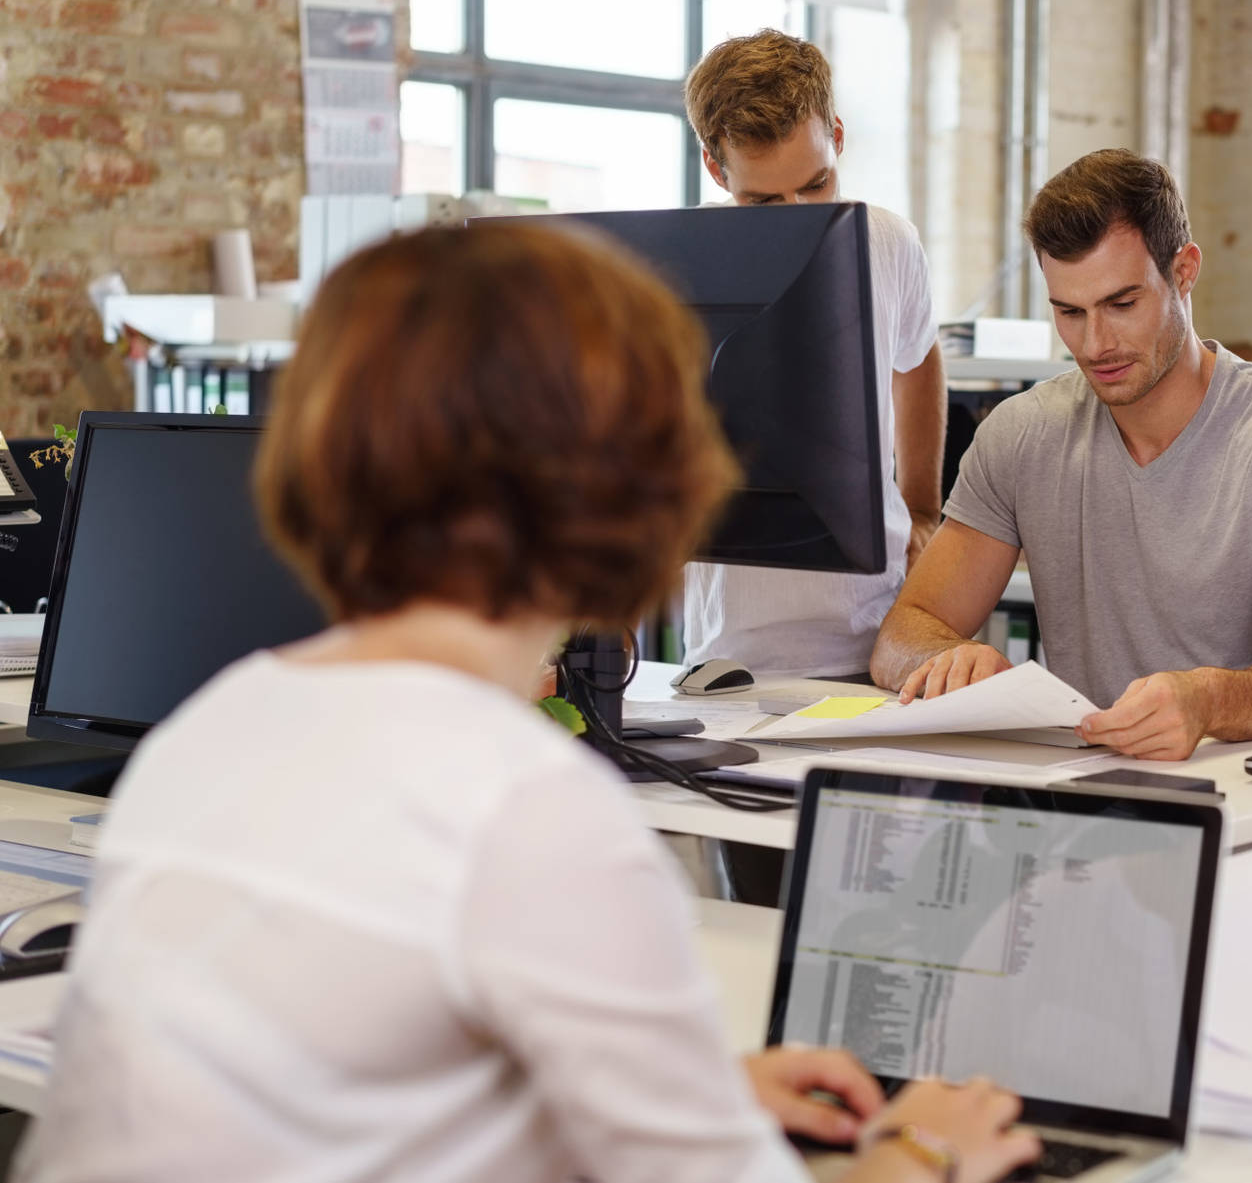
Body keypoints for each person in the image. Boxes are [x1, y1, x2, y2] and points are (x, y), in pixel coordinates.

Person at [15, 225, 1038, 1183]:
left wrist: (689, 1093)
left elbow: (364, 1087)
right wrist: (918, 1153)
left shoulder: (217, 725)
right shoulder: (524, 809)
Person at [870, 150, 1252, 761]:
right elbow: (899, 637)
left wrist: (1209, 702)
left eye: (1122, 304)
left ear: (1185, 271)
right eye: (1069, 312)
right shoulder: (1022, 436)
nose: (1095, 344)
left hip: (1242, 800)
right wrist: (944, 659)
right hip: (1079, 791)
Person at [681, 28, 946, 680]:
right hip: (731, 650)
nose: (796, 213)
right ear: (717, 169)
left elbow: (919, 358)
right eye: (765, 200)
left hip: (874, 636)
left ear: (838, 134)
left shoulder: (888, 240)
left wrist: (922, 509)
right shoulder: (686, 261)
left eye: (816, 183)